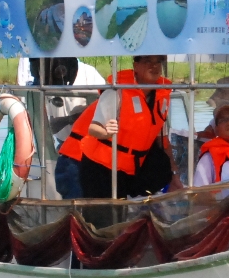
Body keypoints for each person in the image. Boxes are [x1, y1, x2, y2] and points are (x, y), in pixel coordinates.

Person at [72, 54, 174, 199]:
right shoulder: (116, 92)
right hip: (100, 166)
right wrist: (106, 132)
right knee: (104, 217)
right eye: (148, 61)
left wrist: (173, 173)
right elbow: (93, 128)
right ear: (136, 66)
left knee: (161, 166)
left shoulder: (162, 97)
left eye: (158, 62)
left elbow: (160, 139)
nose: (154, 66)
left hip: (129, 169)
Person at [42, 58, 105, 199]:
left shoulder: (89, 74)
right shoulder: (45, 75)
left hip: (90, 149)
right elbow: (51, 124)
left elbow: (105, 108)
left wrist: (73, 119)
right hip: (65, 148)